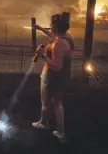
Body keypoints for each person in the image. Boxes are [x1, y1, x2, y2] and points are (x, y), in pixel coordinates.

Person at [32, 12, 74, 143]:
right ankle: (60, 132)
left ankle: (44, 123)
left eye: (51, 26)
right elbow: (53, 36)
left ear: (55, 27)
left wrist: (43, 55)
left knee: (45, 102)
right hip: (63, 78)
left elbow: (56, 66)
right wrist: (40, 28)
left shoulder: (58, 44)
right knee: (57, 103)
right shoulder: (68, 38)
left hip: (52, 78)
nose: (49, 28)